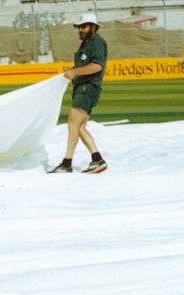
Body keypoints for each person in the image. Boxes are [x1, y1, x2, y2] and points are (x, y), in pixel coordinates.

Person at [48, 13, 108, 174]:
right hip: (82, 88)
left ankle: (67, 163)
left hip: (87, 88)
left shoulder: (97, 42)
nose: (80, 30)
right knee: (80, 127)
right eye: (79, 27)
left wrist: (75, 72)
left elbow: (97, 66)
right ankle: (97, 160)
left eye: (84, 26)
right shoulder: (86, 44)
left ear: (93, 27)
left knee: (73, 124)